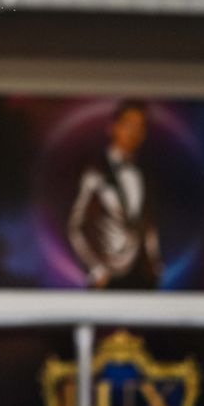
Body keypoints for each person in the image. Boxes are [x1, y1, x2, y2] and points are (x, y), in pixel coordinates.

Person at [67, 100, 163, 289]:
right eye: (128, 124)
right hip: (107, 275)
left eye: (140, 126)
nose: (133, 132)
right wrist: (95, 269)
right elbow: (75, 226)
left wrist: (155, 264)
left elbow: (148, 224)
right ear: (113, 128)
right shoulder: (94, 169)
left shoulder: (146, 173)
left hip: (141, 275)